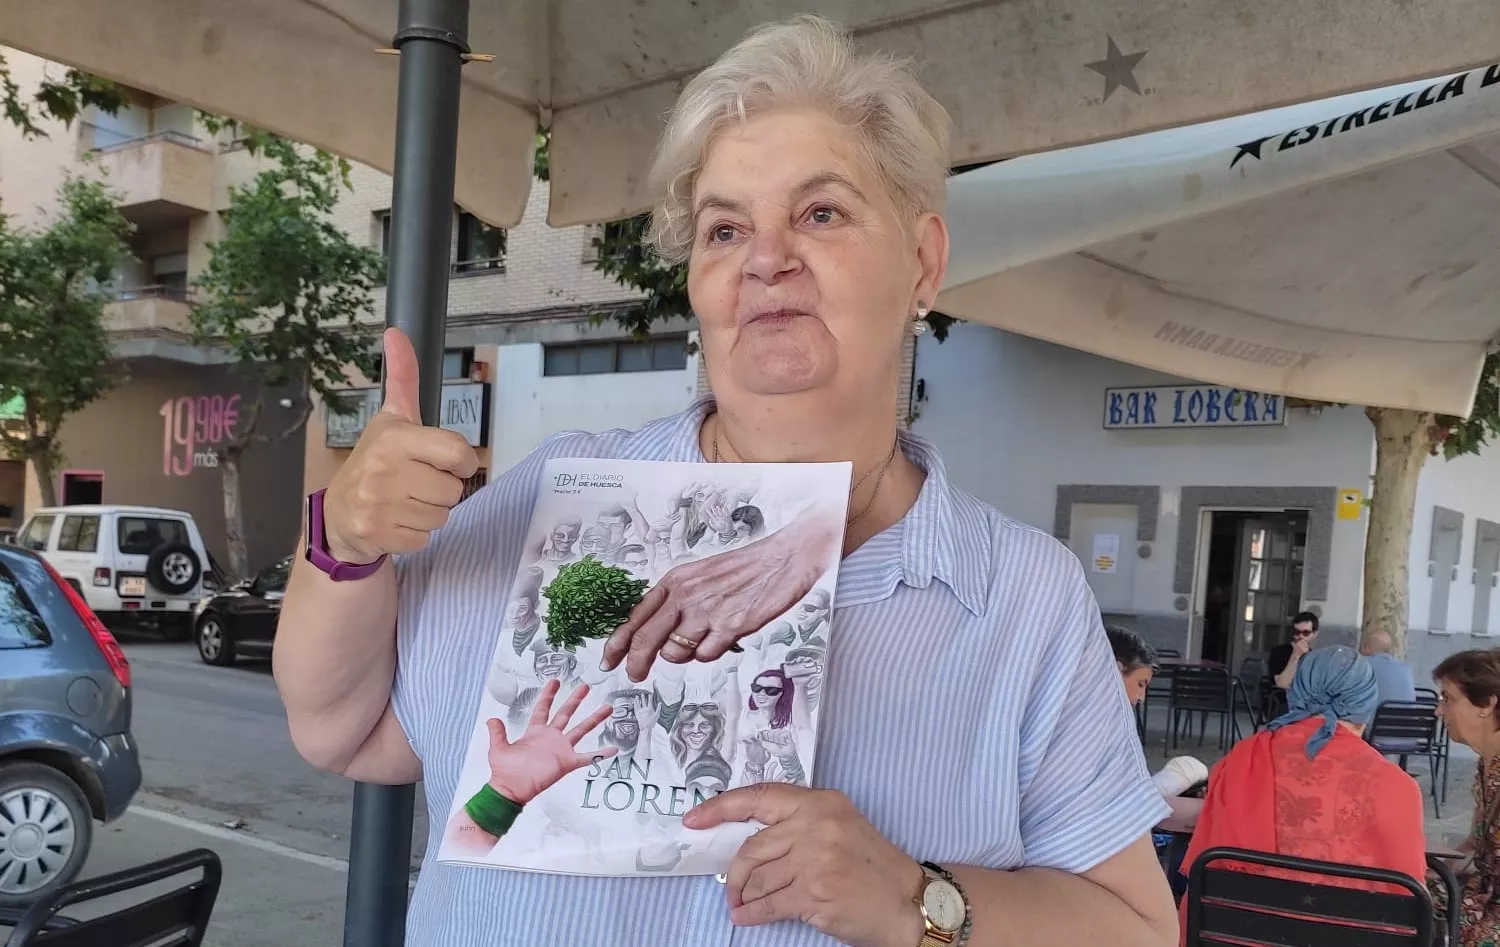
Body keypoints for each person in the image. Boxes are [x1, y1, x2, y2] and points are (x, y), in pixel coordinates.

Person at [274, 15, 1176, 947]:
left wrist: (919, 899)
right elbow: (346, 728)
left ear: (923, 263)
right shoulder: (566, 500)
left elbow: (1138, 930)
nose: (767, 257)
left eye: (821, 212)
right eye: (725, 228)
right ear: (698, 283)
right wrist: (340, 539)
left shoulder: (1020, 596)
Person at [1179, 646, 1427, 936]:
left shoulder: (1240, 761)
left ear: (1297, 692)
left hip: (1241, 937)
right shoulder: (1397, 786)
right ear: (1365, 706)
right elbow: (1409, 894)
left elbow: (1210, 867)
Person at [1431, 648, 1500, 946]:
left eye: (1448, 698)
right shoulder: (1487, 764)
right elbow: (1475, 844)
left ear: (1486, 704)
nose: (1439, 710)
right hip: (1482, 898)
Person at [1359, 628, 1417, 724]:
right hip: (1406, 731)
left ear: (1367, 648)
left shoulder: (1363, 666)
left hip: (1374, 732)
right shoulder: (1405, 669)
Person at [1268, 611, 1320, 690]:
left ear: (1315, 634)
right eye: (1297, 632)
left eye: (1306, 633)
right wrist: (1295, 656)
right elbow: (1281, 684)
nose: (1300, 636)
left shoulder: (1314, 657)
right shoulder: (1279, 652)